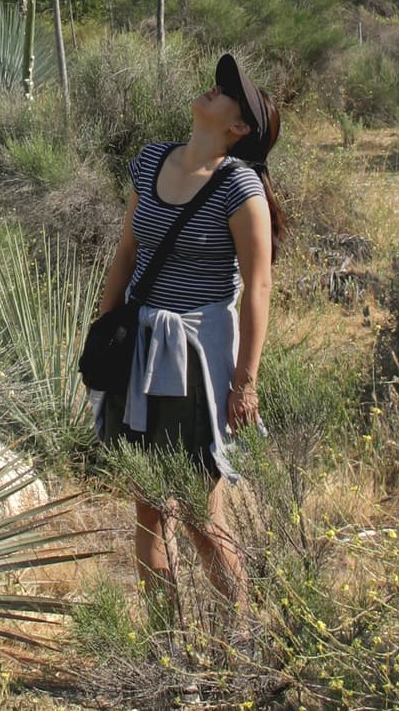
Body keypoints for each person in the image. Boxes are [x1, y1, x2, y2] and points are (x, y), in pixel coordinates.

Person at [94, 52, 283, 610]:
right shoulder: (151, 161)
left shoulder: (239, 187)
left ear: (239, 127)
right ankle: (164, 654)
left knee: (203, 512)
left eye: (227, 91)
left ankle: (240, 647)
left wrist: (245, 382)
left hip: (199, 358)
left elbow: (259, 287)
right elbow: (127, 252)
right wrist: (103, 332)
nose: (213, 88)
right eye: (218, 83)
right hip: (140, 349)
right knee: (149, 509)